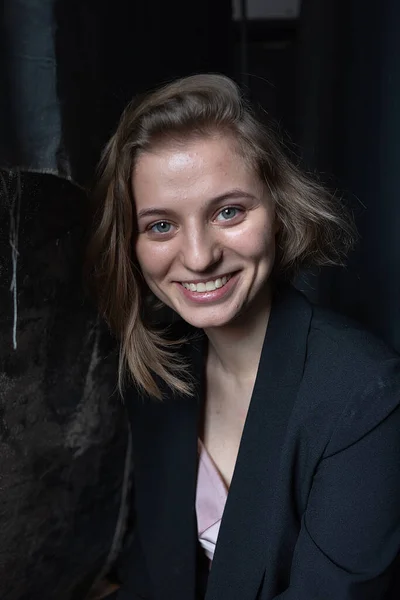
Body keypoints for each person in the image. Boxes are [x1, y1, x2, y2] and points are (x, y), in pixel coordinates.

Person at [87, 74, 400, 599]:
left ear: (279, 212)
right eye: (160, 226)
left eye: (228, 211)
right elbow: (154, 577)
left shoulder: (365, 395)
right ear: (133, 244)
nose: (198, 255)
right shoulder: (163, 372)